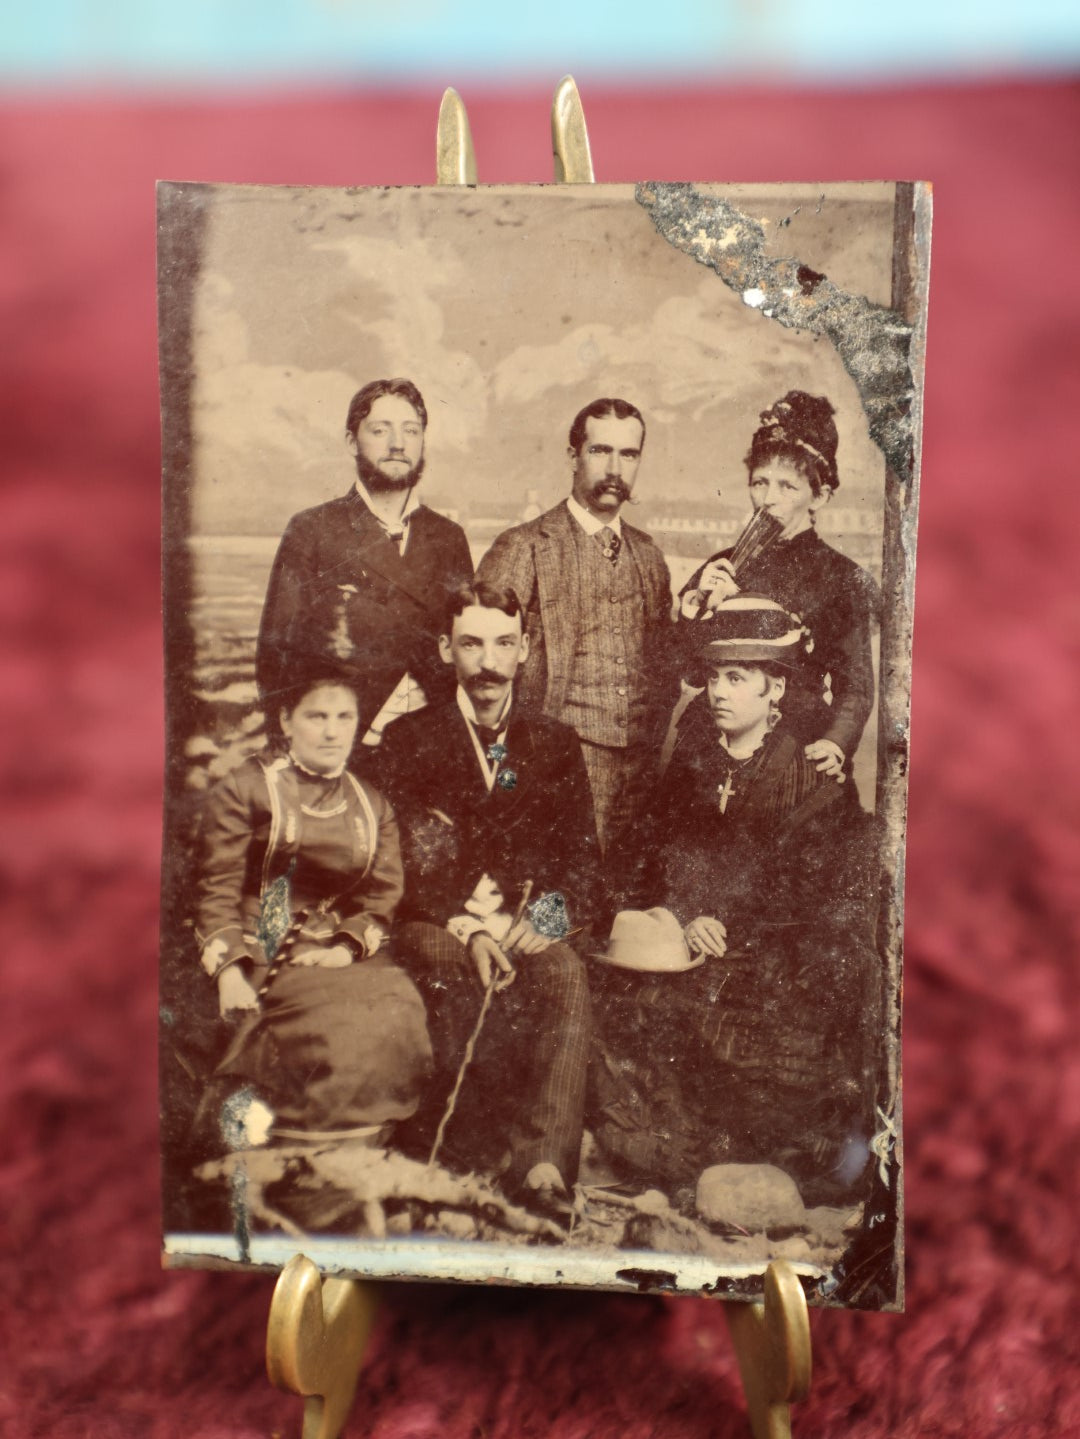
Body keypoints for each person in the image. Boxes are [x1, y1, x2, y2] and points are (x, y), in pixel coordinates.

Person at [590, 597, 881, 1207]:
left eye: (737, 679)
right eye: (715, 677)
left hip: (783, 959)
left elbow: (822, 896)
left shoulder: (813, 780)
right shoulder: (695, 763)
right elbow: (659, 857)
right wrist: (685, 913)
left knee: (763, 1079)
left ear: (775, 687)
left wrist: (730, 926)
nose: (718, 693)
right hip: (699, 945)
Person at [375, 581, 600, 1218]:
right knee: (452, 969)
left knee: (562, 971)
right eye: (471, 644)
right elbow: (401, 869)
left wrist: (547, 916)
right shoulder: (408, 740)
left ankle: (546, 1169)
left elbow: (585, 863)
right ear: (446, 649)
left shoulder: (555, 742)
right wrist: (467, 929)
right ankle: (457, 1157)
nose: (488, 662)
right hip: (436, 921)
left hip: (519, 918)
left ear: (525, 649)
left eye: (504, 644)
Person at [195, 669, 433, 1152]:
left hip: (335, 949)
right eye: (316, 716)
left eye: (344, 717)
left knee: (398, 1004)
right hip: (261, 945)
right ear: (286, 720)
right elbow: (214, 890)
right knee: (331, 1019)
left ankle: (365, 1154)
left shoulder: (371, 804)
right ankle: (306, 1158)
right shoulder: (244, 789)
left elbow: (381, 896)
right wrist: (229, 974)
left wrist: (346, 949)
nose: (332, 731)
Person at [476, 397, 673, 879]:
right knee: (559, 907)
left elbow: (665, 665)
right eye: (600, 450)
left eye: (628, 455)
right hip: (559, 767)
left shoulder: (648, 555)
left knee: (625, 915)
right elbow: (480, 669)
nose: (614, 468)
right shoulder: (523, 546)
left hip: (641, 769)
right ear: (573, 457)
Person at [256, 378, 474, 745]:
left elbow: (464, 647)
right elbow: (276, 656)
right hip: (341, 744)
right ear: (350, 441)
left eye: (411, 430)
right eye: (380, 430)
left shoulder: (448, 536)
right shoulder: (312, 529)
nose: (398, 444)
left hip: (430, 747)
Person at [678, 391, 878, 784]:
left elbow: (855, 685)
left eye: (787, 487)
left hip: (799, 748)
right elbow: (690, 675)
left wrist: (835, 744)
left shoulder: (841, 577)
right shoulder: (719, 566)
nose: (768, 500)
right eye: (760, 483)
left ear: (819, 496)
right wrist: (696, 609)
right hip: (713, 740)